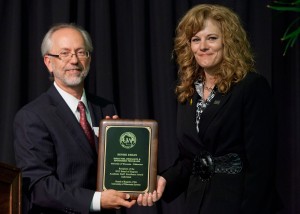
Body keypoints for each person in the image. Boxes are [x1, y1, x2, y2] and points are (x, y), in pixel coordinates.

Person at [137, 4, 278, 214]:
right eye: (195, 39)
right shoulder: (188, 91)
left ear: (228, 42)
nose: (203, 46)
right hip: (197, 204)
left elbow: (262, 166)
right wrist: (164, 180)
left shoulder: (251, 86)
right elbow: (190, 159)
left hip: (239, 204)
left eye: (211, 38)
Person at [13, 23, 136, 214]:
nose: (74, 60)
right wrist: (97, 200)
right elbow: (39, 186)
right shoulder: (32, 116)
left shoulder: (105, 108)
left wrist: (139, 186)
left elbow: (120, 168)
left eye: (81, 52)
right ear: (48, 62)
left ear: (89, 59)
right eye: (64, 53)